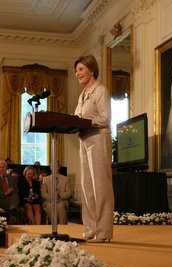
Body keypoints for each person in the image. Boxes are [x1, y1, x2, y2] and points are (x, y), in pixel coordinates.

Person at [74, 54, 114, 243]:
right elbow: (76, 118)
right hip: (84, 140)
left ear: (91, 69)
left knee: (101, 186)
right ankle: (90, 228)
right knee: (87, 187)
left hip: (98, 138)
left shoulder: (100, 91)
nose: (77, 73)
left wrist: (85, 123)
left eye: (80, 69)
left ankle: (104, 231)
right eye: (76, 70)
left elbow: (105, 118)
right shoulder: (82, 95)